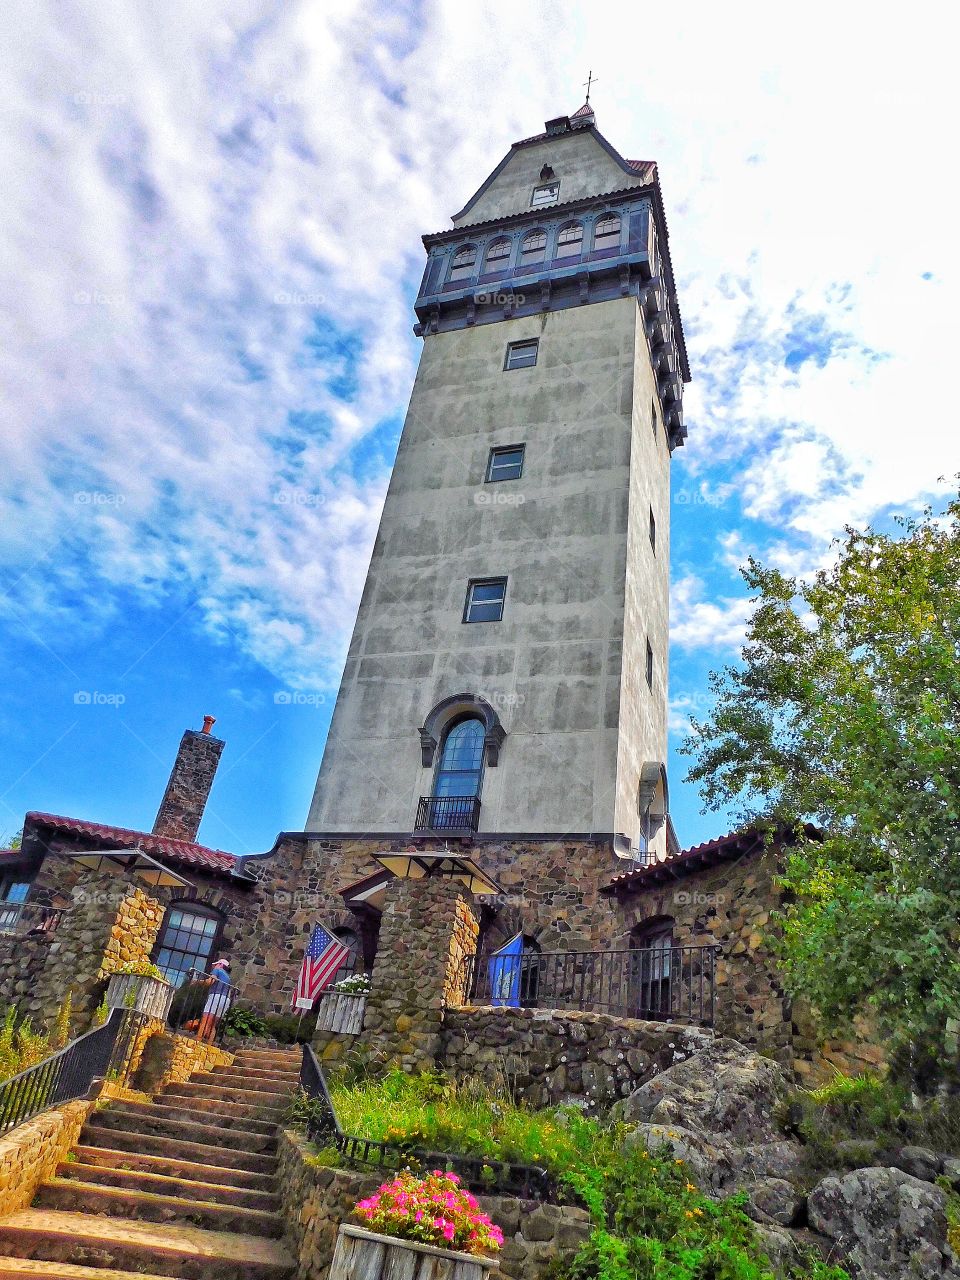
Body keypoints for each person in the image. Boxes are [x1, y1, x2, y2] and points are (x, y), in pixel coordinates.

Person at [197, 957, 233, 1042]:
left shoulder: (217, 970)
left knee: (205, 1020)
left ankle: (197, 1041)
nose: (214, 966)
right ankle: (209, 1044)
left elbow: (210, 981)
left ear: (220, 965)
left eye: (216, 964)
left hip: (216, 996)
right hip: (225, 1000)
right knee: (213, 1025)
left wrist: (197, 982)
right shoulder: (228, 977)